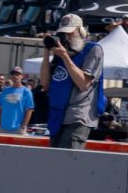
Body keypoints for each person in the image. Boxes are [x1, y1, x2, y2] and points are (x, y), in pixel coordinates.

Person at [39, 14, 104, 149]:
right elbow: (45, 84)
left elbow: (83, 84)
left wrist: (65, 57)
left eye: (70, 33)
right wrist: (47, 51)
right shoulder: (61, 54)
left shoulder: (93, 50)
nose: (67, 37)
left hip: (78, 116)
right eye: (63, 33)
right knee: (55, 164)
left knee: (67, 162)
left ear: (80, 31)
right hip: (57, 116)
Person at [0, 67, 34, 134]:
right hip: (3, 128)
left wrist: (24, 125)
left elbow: (29, 110)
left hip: (18, 129)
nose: (15, 76)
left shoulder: (26, 92)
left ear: (22, 76)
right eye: (13, 74)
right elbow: (0, 108)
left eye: (17, 74)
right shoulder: (5, 91)